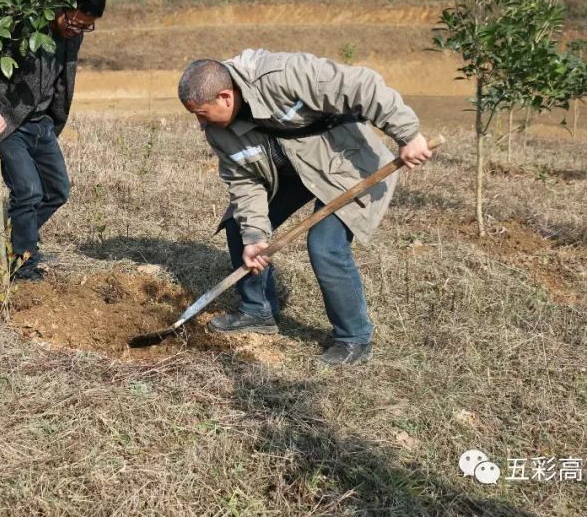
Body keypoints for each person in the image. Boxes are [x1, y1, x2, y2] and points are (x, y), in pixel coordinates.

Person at [177, 49, 432, 366]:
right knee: (239, 226)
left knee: (326, 245)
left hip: (345, 164)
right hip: (290, 170)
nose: (199, 122)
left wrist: (407, 134)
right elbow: (245, 181)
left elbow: (362, 84)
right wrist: (256, 236)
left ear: (225, 97)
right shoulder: (219, 131)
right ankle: (258, 310)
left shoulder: (282, 75)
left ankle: (354, 338)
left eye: (201, 112)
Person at [0, 0, 107, 281]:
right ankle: (21, 264)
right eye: (74, 22)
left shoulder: (72, 36)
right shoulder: (21, 27)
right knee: (28, 191)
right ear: (61, 7)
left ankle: (18, 243)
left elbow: (61, 82)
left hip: (42, 124)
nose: (77, 30)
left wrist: (54, 123)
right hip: (10, 125)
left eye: (85, 26)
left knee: (57, 191)